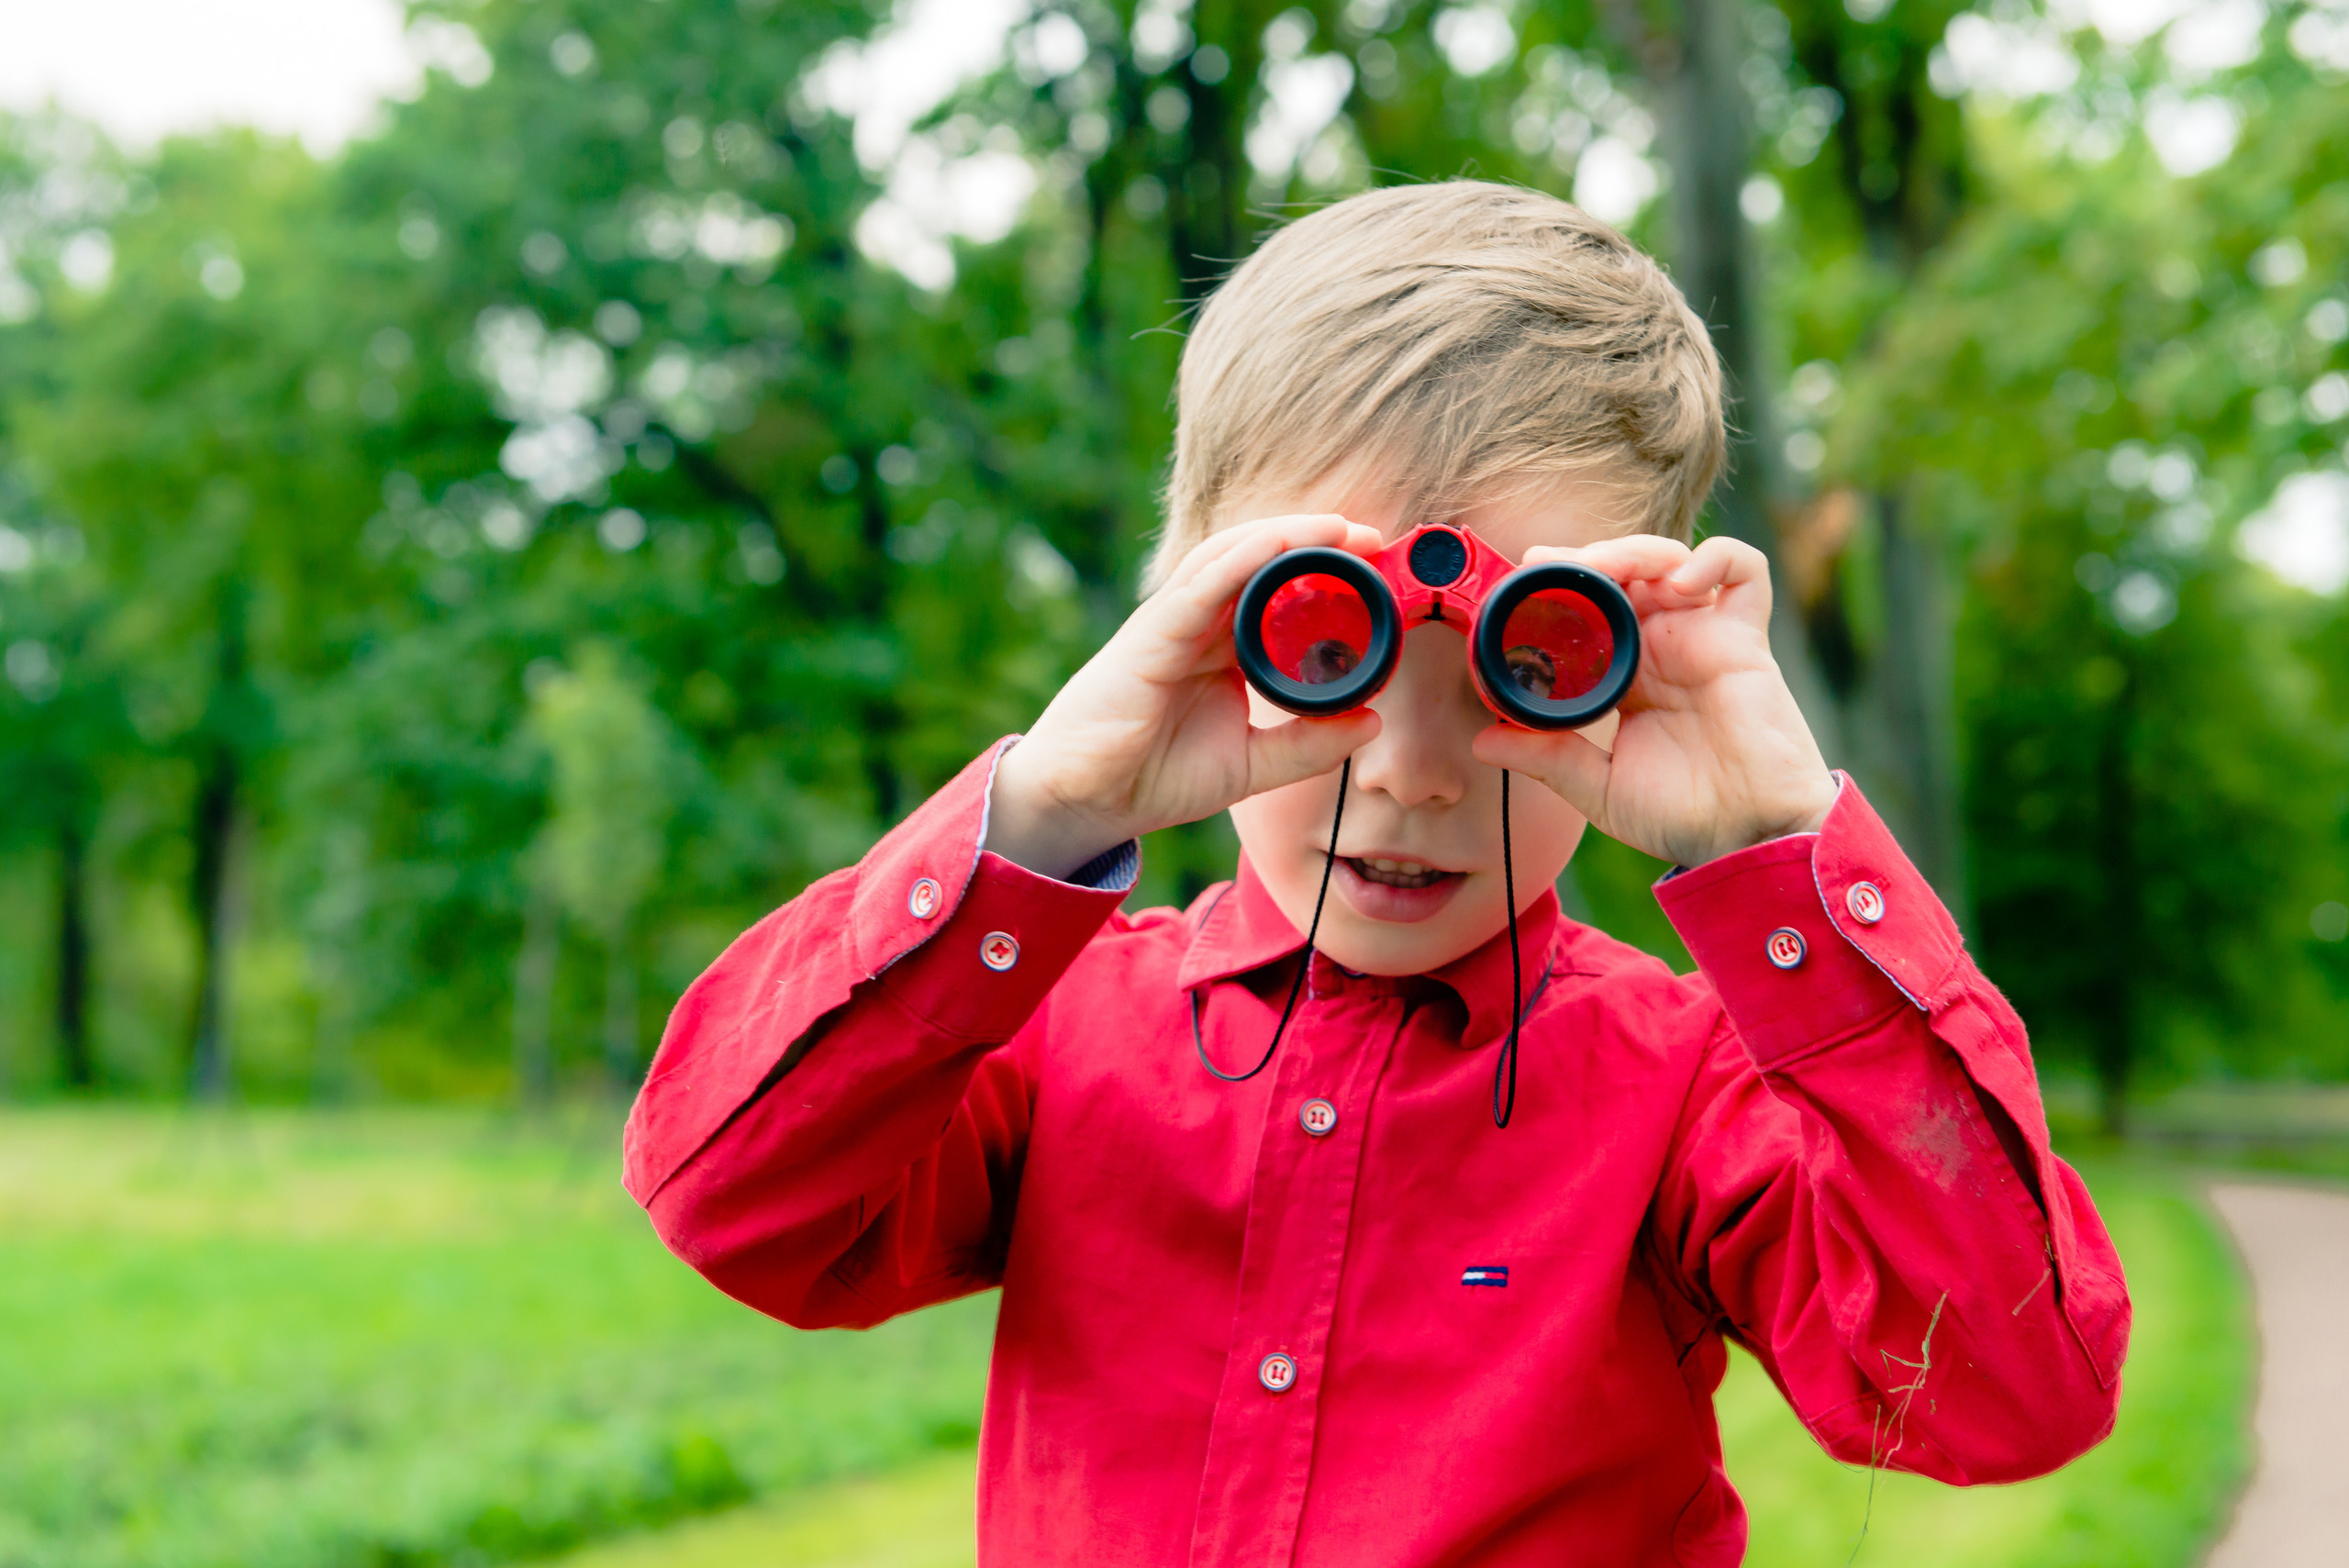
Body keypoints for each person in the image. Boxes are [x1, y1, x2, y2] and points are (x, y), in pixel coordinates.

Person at [621, 182, 2128, 1565]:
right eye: (1329, 652)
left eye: (1519, 669)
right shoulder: (1058, 1037)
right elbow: (736, 1203)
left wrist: (1778, 850)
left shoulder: (1681, 1092)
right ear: (1200, 613)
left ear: (1631, 657)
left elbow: (2008, 1393)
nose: (1414, 769)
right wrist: (1043, 811)